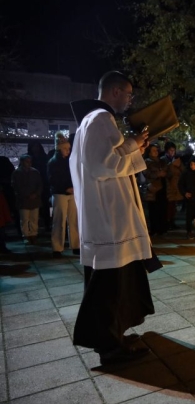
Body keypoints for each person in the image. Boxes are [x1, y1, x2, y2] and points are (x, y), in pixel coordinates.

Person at [69, 71, 155, 365]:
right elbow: (102, 165)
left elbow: (112, 160)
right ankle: (109, 347)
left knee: (114, 283)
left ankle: (113, 335)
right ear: (116, 91)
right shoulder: (99, 120)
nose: (131, 101)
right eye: (129, 95)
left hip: (110, 218)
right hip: (109, 220)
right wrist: (131, 145)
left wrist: (134, 147)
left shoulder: (94, 121)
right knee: (109, 288)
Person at [48, 132, 79, 258]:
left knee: (74, 220)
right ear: (59, 149)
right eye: (65, 149)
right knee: (59, 221)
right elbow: (52, 180)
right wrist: (66, 188)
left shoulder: (69, 161)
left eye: (68, 148)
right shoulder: (53, 162)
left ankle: (76, 245)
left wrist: (74, 187)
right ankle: (57, 247)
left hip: (71, 193)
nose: (68, 151)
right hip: (59, 194)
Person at [11, 154, 42, 245]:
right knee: (24, 219)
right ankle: (26, 235)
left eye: (30, 161)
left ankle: (33, 234)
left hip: (34, 200)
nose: (29, 163)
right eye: (26, 161)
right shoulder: (17, 173)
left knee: (34, 219)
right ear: (22, 162)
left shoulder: (35, 172)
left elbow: (40, 184)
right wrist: (26, 194)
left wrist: (36, 194)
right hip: (23, 200)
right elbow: (16, 186)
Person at [142, 144, 168, 236]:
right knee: (153, 210)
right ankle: (154, 229)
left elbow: (166, 170)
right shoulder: (147, 162)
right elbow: (146, 173)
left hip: (162, 187)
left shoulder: (161, 161)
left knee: (162, 209)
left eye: (156, 150)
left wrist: (164, 173)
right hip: (153, 188)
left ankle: (161, 228)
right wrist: (157, 174)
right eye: (153, 150)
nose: (155, 152)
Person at [162, 141, 184, 230]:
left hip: (175, 186)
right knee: (168, 206)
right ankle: (167, 222)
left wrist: (179, 166)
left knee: (173, 206)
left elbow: (183, 171)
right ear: (167, 151)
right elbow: (166, 172)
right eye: (171, 150)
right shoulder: (163, 160)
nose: (172, 152)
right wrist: (171, 165)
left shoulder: (176, 160)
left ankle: (172, 221)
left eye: (173, 150)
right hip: (167, 186)